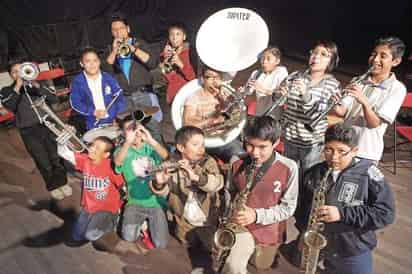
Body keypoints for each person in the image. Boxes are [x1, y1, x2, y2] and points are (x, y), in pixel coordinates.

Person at [292, 123, 395, 274]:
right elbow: (301, 207)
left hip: (352, 249)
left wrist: (342, 214)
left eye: (342, 152)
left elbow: (385, 214)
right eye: (329, 150)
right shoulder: (314, 173)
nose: (334, 157)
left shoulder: (368, 174)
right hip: (318, 244)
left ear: (354, 151)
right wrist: (304, 233)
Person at [221, 116, 298, 274]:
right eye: (250, 145)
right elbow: (230, 192)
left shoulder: (289, 167)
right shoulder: (237, 161)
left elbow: (288, 208)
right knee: (232, 266)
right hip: (240, 225)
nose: (255, 153)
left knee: (261, 265)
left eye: (262, 147)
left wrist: (256, 215)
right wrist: (229, 214)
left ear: (276, 143)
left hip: (268, 230)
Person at [0, 61, 70, 200]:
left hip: (48, 124)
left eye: (21, 69)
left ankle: (62, 182)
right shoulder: (7, 90)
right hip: (28, 130)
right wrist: (19, 85)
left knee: (56, 155)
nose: (19, 73)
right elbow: (10, 105)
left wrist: (36, 84)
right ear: (11, 76)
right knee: (42, 159)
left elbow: (53, 98)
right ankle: (53, 186)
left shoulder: (39, 84)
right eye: (15, 71)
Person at [333, 36, 407, 163]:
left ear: (396, 61)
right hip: (343, 147)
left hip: (365, 154)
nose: (375, 59)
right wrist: (334, 103)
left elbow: (374, 124)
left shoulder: (397, 89)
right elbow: (342, 112)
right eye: (374, 54)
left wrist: (364, 101)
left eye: (383, 56)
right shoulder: (358, 80)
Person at [150, 126, 223, 250]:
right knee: (186, 245)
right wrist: (160, 183)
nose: (201, 148)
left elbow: (216, 184)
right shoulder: (172, 163)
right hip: (184, 222)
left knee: (213, 247)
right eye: (195, 144)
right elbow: (166, 194)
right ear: (181, 148)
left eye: (203, 144)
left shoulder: (208, 162)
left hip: (207, 221)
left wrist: (196, 177)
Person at [277, 40, 341, 179]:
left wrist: (306, 94)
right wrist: (280, 94)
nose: (316, 57)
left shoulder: (331, 85)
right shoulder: (295, 75)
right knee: (289, 176)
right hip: (290, 137)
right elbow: (280, 102)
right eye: (314, 52)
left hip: (311, 143)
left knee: (308, 178)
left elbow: (317, 114)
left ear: (331, 61)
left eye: (323, 54)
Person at [104, 13, 162, 142]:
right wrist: (114, 51)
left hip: (143, 94)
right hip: (125, 97)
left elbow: (152, 62)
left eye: (121, 28)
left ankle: (161, 156)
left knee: (153, 129)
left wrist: (133, 49)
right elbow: (106, 73)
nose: (118, 32)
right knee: (131, 132)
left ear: (128, 29)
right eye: (115, 30)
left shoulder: (139, 43)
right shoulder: (110, 50)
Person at [114, 115, 169, 248]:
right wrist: (127, 143)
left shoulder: (151, 148)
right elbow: (118, 162)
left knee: (161, 244)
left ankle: (146, 224)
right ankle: (141, 224)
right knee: (128, 237)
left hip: (156, 202)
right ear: (123, 133)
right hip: (135, 202)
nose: (135, 132)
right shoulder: (122, 151)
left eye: (137, 128)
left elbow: (166, 156)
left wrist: (150, 140)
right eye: (129, 129)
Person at [57, 136, 124, 242]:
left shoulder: (111, 168)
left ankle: (112, 222)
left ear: (106, 155)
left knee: (91, 236)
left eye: (97, 148)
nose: (92, 148)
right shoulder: (85, 160)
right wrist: (61, 143)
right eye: (92, 145)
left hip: (106, 209)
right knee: (77, 236)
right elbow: (64, 153)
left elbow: (123, 186)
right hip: (88, 207)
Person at [182, 66, 244, 162]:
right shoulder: (194, 97)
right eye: (209, 77)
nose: (213, 81)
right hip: (204, 141)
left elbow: (238, 115)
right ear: (202, 78)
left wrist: (226, 102)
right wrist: (211, 121)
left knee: (239, 159)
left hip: (226, 139)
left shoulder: (226, 94)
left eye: (217, 77)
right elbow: (187, 124)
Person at [70, 47, 126, 130]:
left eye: (95, 60)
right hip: (93, 124)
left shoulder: (108, 78)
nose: (92, 64)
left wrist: (116, 116)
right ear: (82, 64)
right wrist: (92, 111)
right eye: (88, 61)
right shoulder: (77, 82)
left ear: (99, 62)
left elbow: (120, 97)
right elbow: (75, 103)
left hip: (113, 122)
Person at [243, 46, 288, 117]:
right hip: (259, 112)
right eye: (262, 58)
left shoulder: (281, 71)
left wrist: (262, 89)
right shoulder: (256, 73)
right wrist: (243, 90)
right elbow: (247, 92)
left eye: (268, 59)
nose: (264, 62)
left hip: (273, 115)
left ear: (277, 61)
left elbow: (281, 97)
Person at [159, 23, 196, 104]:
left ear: (184, 37)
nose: (174, 38)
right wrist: (165, 60)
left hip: (188, 96)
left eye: (178, 34)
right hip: (173, 97)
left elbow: (195, 79)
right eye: (171, 34)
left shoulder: (191, 52)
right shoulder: (165, 54)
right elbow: (162, 80)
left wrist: (180, 64)